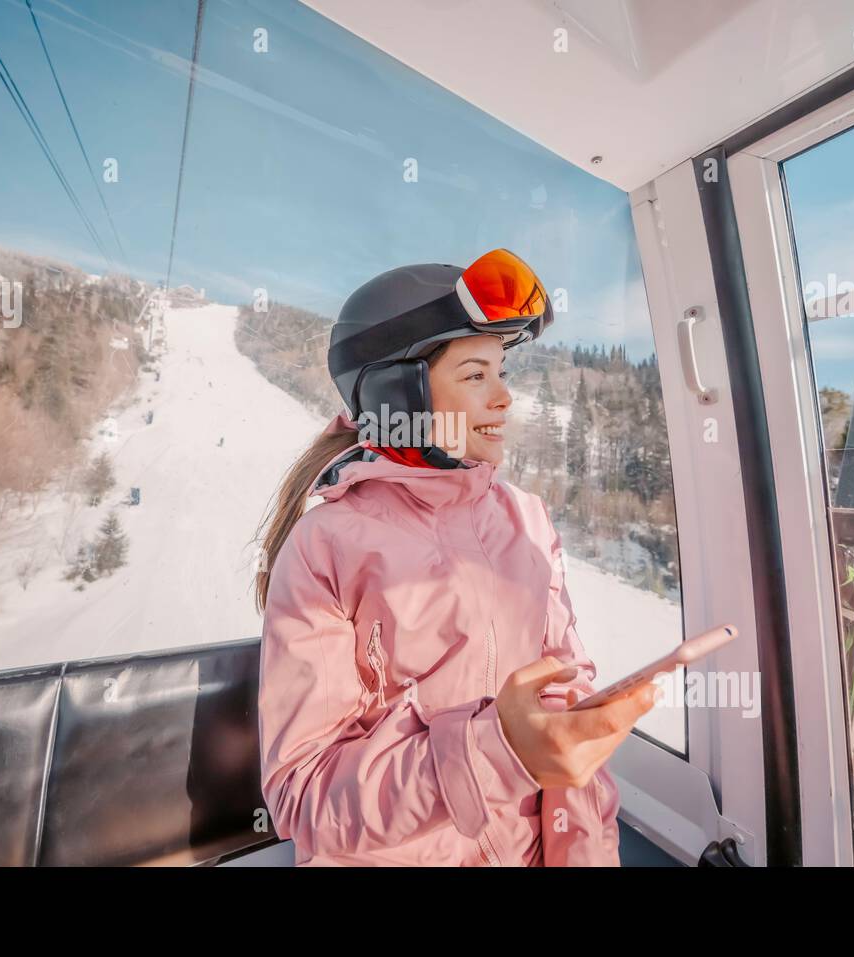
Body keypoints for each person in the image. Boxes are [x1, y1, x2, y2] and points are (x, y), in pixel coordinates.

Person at [253, 249, 657, 866]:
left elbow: (566, 707)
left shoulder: (526, 519)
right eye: (475, 375)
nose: (504, 399)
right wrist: (495, 752)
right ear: (398, 393)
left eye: (502, 373)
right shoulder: (327, 545)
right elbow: (303, 797)